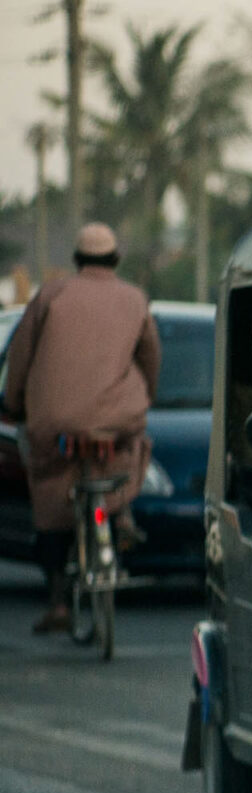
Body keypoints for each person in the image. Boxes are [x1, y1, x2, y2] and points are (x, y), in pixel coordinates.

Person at [0, 222, 159, 634]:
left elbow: (20, 356)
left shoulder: (51, 295)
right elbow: (151, 357)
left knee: (50, 502)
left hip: (54, 426)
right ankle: (117, 514)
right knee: (129, 452)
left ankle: (58, 601)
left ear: (77, 260)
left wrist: (14, 405)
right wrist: (145, 397)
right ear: (115, 259)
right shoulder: (134, 298)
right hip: (115, 425)